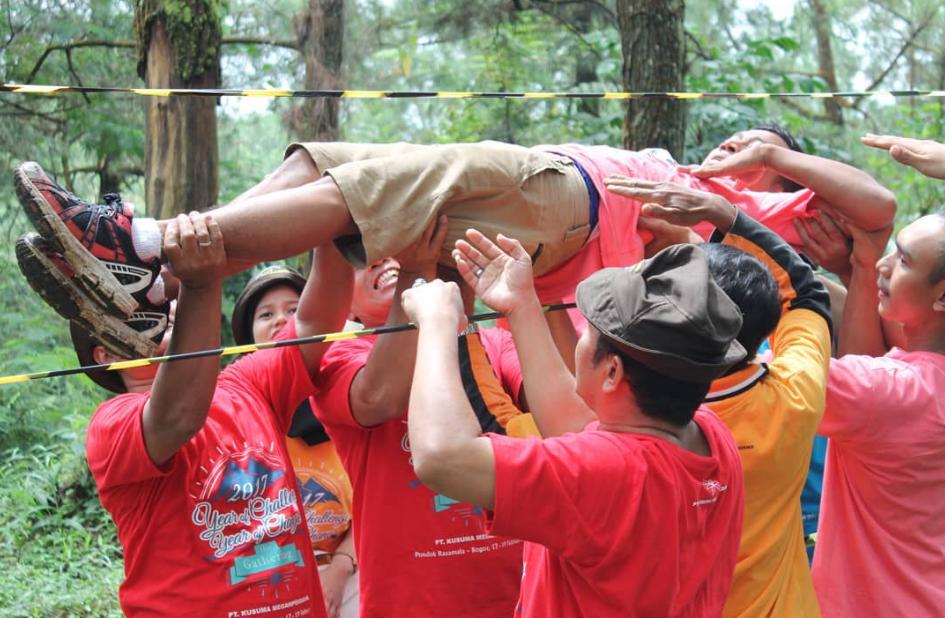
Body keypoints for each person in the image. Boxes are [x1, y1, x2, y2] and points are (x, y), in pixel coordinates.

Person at [13, 125, 895, 353]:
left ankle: (139, 237)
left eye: (762, 157)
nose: (733, 151)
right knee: (324, 163)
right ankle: (154, 287)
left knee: (421, 172)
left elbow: (878, 208)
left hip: (567, 201)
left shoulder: (756, 215)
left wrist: (777, 161)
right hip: (548, 211)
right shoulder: (709, 191)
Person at [15, 211, 352, 617]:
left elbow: (318, 320)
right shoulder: (112, 425)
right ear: (104, 354)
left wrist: (336, 219)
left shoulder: (246, 385)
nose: (164, 313)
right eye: (138, 310)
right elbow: (179, 415)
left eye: (164, 304)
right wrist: (200, 282)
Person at [399, 231, 747, 616]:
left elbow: (441, 456)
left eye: (589, 333)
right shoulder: (709, 434)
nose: (580, 338)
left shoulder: (608, 473)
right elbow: (577, 427)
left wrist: (437, 325)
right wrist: (522, 305)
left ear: (611, 371)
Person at [605, 178, 831, 616]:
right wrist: (722, 212)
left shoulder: (630, 418)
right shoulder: (795, 398)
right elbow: (806, 293)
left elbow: (498, 418)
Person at [307, 216, 538, 617]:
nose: (387, 258)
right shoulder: (338, 358)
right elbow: (379, 398)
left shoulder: (495, 343)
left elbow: (552, 408)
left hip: (520, 602)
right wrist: (414, 273)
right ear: (346, 299)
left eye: (400, 248)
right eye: (369, 255)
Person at [809, 134, 945, 616]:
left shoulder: (893, 391)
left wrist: (736, 231)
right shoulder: (896, 383)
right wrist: (860, 271)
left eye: (903, 259)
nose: (887, 263)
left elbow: (797, 377)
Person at [231, 264, 359, 618]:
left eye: (294, 310)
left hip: (349, 567)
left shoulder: (353, 395)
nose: (280, 321)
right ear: (246, 337)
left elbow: (374, 504)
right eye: (266, 314)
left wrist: (338, 571)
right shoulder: (232, 415)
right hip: (268, 574)